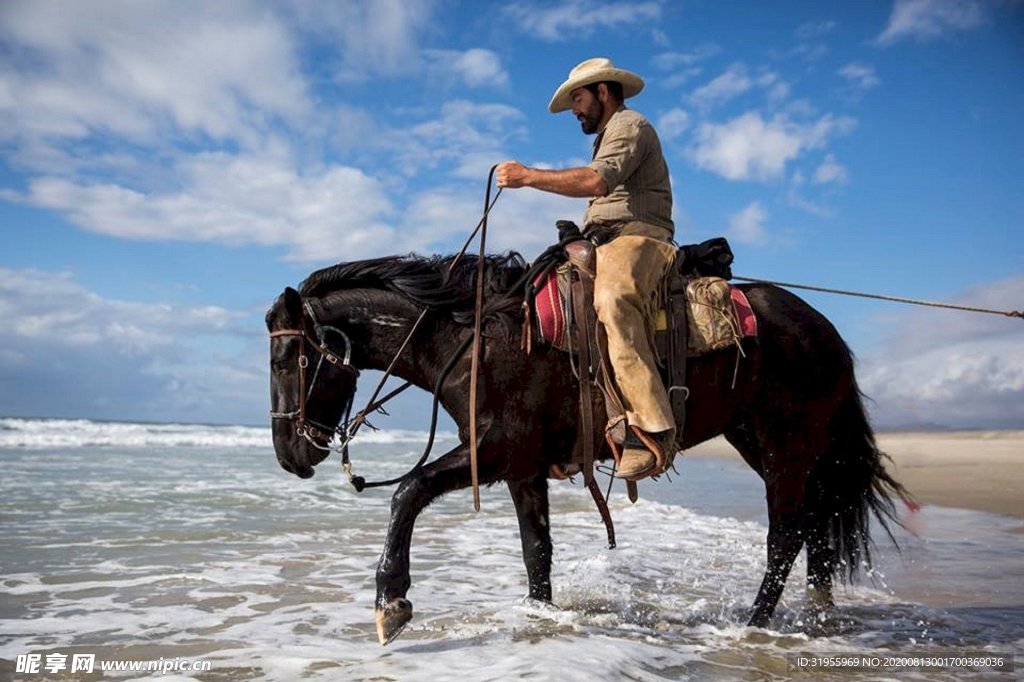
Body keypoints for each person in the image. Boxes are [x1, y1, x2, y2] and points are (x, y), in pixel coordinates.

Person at [496, 57, 677, 481]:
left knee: (613, 302)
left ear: (603, 92)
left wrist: (526, 177)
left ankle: (652, 429)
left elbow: (597, 183)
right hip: (602, 239)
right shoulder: (606, 136)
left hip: (639, 237)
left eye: (577, 98)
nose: (575, 109)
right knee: (547, 304)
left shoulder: (632, 126)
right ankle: (577, 429)